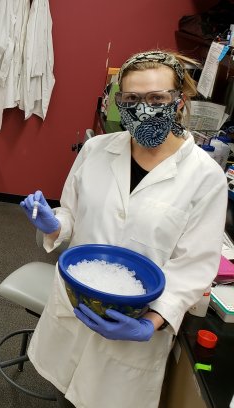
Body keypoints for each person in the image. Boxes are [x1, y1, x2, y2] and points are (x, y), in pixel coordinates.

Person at [20, 50, 227, 408]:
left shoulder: (204, 177)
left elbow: (194, 266)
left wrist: (152, 321)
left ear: (180, 101)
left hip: (135, 330)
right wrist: (55, 223)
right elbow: (72, 214)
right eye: (131, 99)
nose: (143, 109)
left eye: (157, 98)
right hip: (76, 309)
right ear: (118, 102)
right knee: (61, 393)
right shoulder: (96, 150)